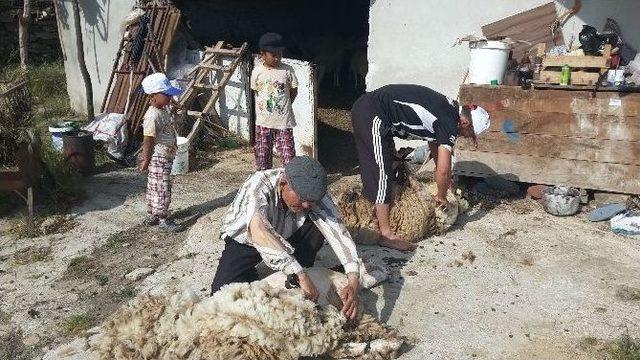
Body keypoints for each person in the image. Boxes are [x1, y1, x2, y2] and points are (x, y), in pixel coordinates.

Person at [211, 156, 360, 322]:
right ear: (283, 184)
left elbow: (337, 230)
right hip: (248, 240)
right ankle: (293, 273)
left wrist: (353, 280)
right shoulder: (258, 185)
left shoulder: (314, 195)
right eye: (302, 199)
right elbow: (258, 230)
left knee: (317, 225)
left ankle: (298, 277)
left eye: (310, 201)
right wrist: (299, 273)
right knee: (220, 296)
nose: (305, 205)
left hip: (287, 235)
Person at [350, 84, 491, 251]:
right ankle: (386, 235)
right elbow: (444, 170)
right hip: (372, 113)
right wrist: (441, 195)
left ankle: (374, 210)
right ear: (465, 122)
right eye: (471, 134)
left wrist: (443, 182)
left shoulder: (449, 109)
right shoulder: (449, 122)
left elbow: (435, 144)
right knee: (381, 174)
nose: (468, 137)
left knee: (390, 164)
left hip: (379, 113)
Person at [138, 72, 183, 232]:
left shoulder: (161, 110)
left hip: (165, 156)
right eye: (166, 95)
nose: (170, 98)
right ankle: (162, 218)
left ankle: (153, 214)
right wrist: (146, 159)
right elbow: (148, 139)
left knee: (154, 185)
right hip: (159, 157)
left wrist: (172, 103)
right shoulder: (152, 116)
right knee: (162, 187)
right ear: (152, 96)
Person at [251, 32, 299, 170]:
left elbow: (293, 91)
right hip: (263, 122)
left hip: (283, 122)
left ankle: (290, 186)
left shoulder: (287, 70)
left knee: (289, 158)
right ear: (262, 54)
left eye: (280, 54)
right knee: (262, 159)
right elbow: (257, 92)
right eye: (273, 55)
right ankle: (264, 183)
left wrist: (284, 106)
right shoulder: (257, 71)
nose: (277, 58)